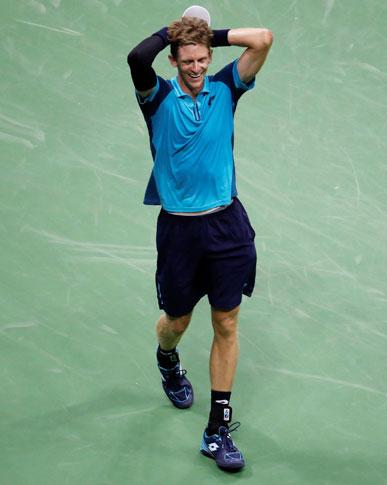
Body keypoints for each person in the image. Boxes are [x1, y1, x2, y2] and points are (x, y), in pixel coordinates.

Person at [127, 14, 273, 472]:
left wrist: (207, 34)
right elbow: (136, 57)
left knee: (226, 323)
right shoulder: (157, 98)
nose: (195, 67)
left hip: (227, 226)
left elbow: (263, 39)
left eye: (202, 58)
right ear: (173, 60)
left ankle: (216, 431)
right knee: (177, 321)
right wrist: (176, 32)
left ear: (211, 57)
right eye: (187, 60)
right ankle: (167, 357)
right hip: (179, 233)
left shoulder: (227, 88)